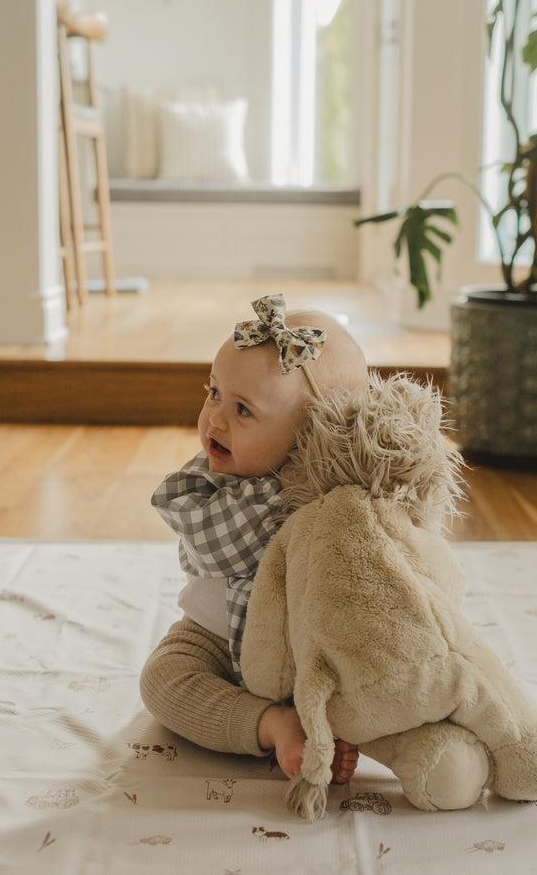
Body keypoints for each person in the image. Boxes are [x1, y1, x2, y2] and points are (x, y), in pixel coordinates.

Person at [140, 295, 368, 783]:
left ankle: (352, 728)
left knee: (381, 670)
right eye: (215, 392)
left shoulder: (339, 499)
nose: (215, 419)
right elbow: (210, 545)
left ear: (314, 436)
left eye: (243, 409)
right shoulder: (217, 484)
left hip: (311, 647)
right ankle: (270, 725)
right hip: (217, 639)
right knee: (162, 680)